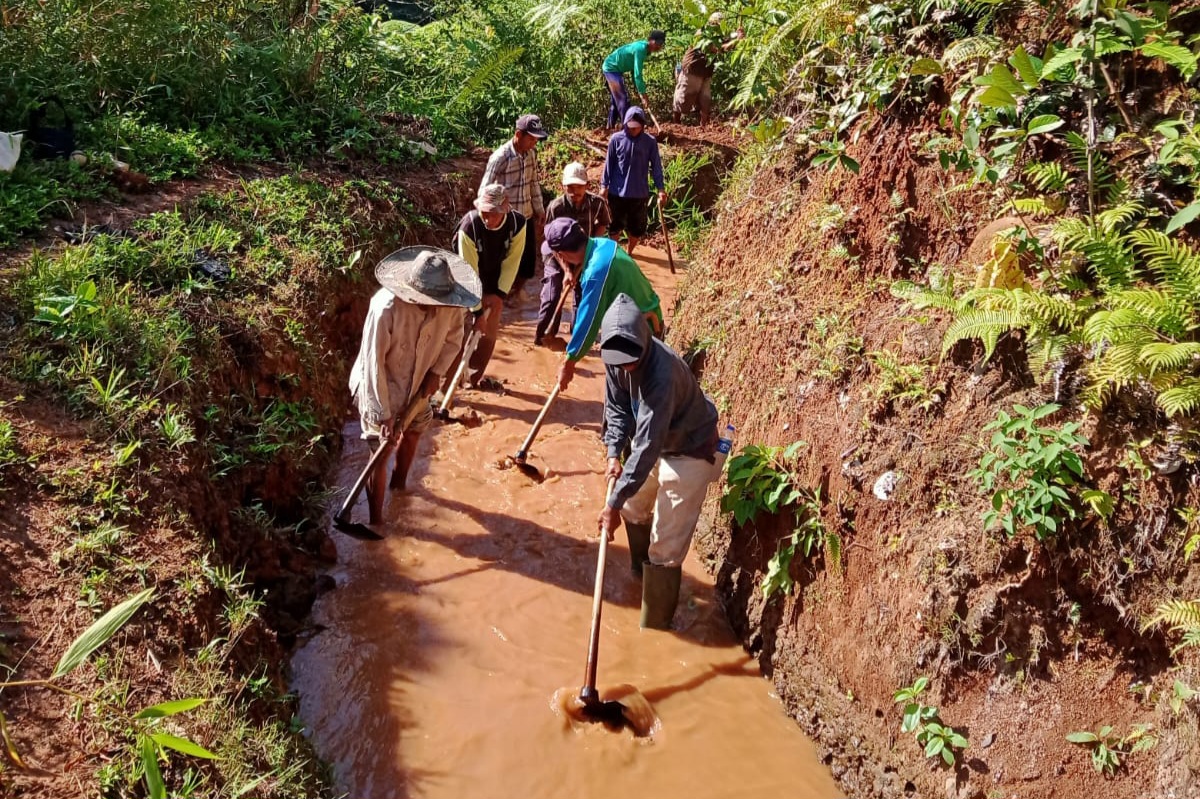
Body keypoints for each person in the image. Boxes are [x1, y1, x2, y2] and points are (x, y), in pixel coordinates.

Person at [594, 293, 721, 630]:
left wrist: (612, 502)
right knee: (635, 508)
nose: (626, 368)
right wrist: (612, 454)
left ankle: (655, 630)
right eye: (618, 362)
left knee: (665, 546)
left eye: (632, 360)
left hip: (690, 447)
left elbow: (648, 444)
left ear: (646, 343)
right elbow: (618, 410)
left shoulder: (660, 374)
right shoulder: (615, 358)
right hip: (655, 441)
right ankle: (639, 579)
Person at [348, 247, 481, 525]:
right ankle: (376, 521)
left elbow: (454, 339)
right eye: (427, 301)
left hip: (420, 383)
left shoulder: (451, 302)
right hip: (381, 385)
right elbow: (373, 364)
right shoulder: (386, 307)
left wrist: (437, 372)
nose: (434, 307)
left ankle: (399, 489)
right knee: (380, 450)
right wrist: (383, 413)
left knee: (413, 432)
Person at [542, 218, 662, 391]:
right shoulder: (604, 244)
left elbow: (589, 321)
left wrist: (570, 361)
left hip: (641, 334)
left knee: (629, 395)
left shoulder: (595, 274)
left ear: (563, 254)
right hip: (649, 315)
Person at [453, 183, 527, 389]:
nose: (487, 218)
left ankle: (472, 380)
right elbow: (468, 272)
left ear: (504, 209)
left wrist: (499, 295)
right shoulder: (469, 227)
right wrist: (476, 312)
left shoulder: (517, 223)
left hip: (495, 281)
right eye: (483, 212)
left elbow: (513, 261)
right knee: (458, 331)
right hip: (465, 280)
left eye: (492, 214)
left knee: (489, 331)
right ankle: (450, 381)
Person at [535, 162, 611, 347]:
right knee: (552, 297)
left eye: (579, 187)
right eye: (570, 187)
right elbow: (551, 241)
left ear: (587, 186)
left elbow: (604, 223)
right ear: (563, 186)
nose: (574, 192)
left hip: (583, 255)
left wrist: (591, 247)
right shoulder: (556, 207)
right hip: (556, 255)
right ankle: (542, 338)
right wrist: (567, 270)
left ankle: (577, 338)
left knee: (582, 296)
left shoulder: (597, 204)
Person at [479, 113, 548, 300]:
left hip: (525, 216)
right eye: (532, 138)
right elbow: (484, 190)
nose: (534, 143)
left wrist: (539, 209)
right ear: (519, 134)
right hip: (506, 219)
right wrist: (489, 217)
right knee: (504, 260)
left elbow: (533, 183)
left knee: (527, 263)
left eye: (536, 139)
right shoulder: (500, 157)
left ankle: (516, 293)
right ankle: (499, 295)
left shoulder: (531, 155)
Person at [601, 106, 666, 256]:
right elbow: (609, 164)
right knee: (614, 226)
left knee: (636, 228)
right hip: (617, 192)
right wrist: (604, 185)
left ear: (642, 126)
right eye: (630, 127)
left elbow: (656, 166)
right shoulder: (616, 139)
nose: (633, 131)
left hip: (639, 193)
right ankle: (614, 255)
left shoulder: (649, 142)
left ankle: (630, 253)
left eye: (637, 128)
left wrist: (660, 189)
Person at [672, 13, 744, 125]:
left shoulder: (717, 36)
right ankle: (676, 124)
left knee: (705, 99)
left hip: (706, 72)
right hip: (692, 69)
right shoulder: (702, 34)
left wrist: (738, 35)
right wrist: (737, 41)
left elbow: (726, 40)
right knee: (684, 97)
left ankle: (703, 126)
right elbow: (719, 48)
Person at [602, 30, 666, 129]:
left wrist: (638, 90)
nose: (658, 46)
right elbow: (637, 74)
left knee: (616, 101)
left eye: (660, 44)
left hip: (616, 70)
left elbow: (633, 70)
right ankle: (627, 128)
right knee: (623, 99)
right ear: (650, 40)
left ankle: (609, 128)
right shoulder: (640, 49)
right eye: (656, 43)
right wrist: (643, 94)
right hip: (611, 69)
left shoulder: (646, 51)